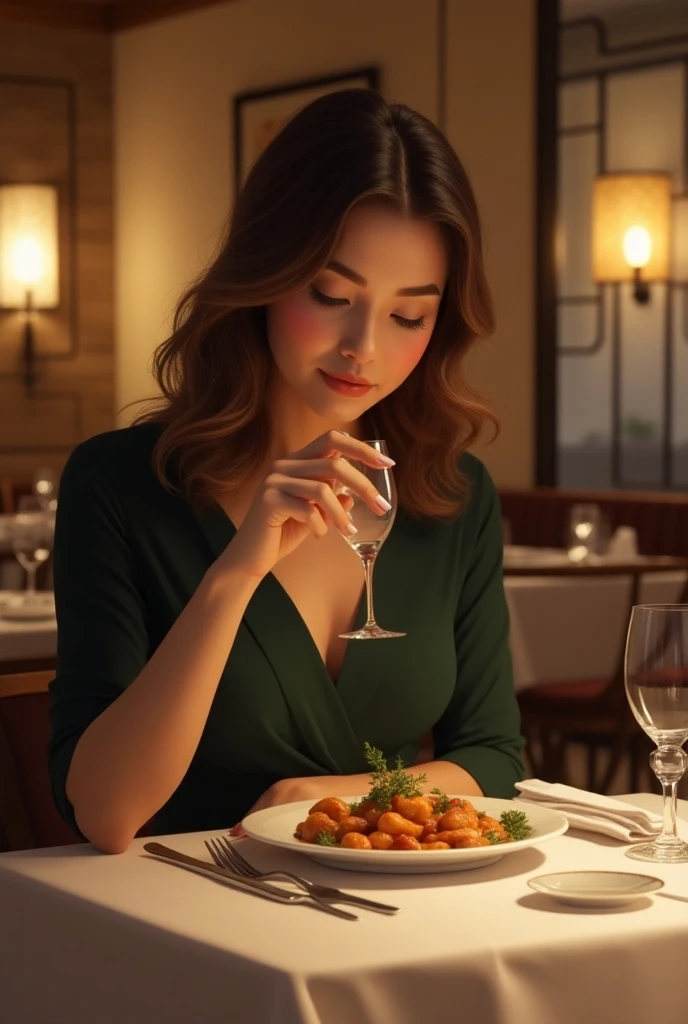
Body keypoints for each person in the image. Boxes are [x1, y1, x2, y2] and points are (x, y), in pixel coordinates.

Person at [48, 88, 524, 855]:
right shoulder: (119, 484)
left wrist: (344, 796)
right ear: (267, 273)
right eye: (331, 295)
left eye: (409, 315)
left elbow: (495, 758)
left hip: (402, 919)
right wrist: (235, 574)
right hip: (183, 926)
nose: (362, 347)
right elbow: (104, 813)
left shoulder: (452, 494)